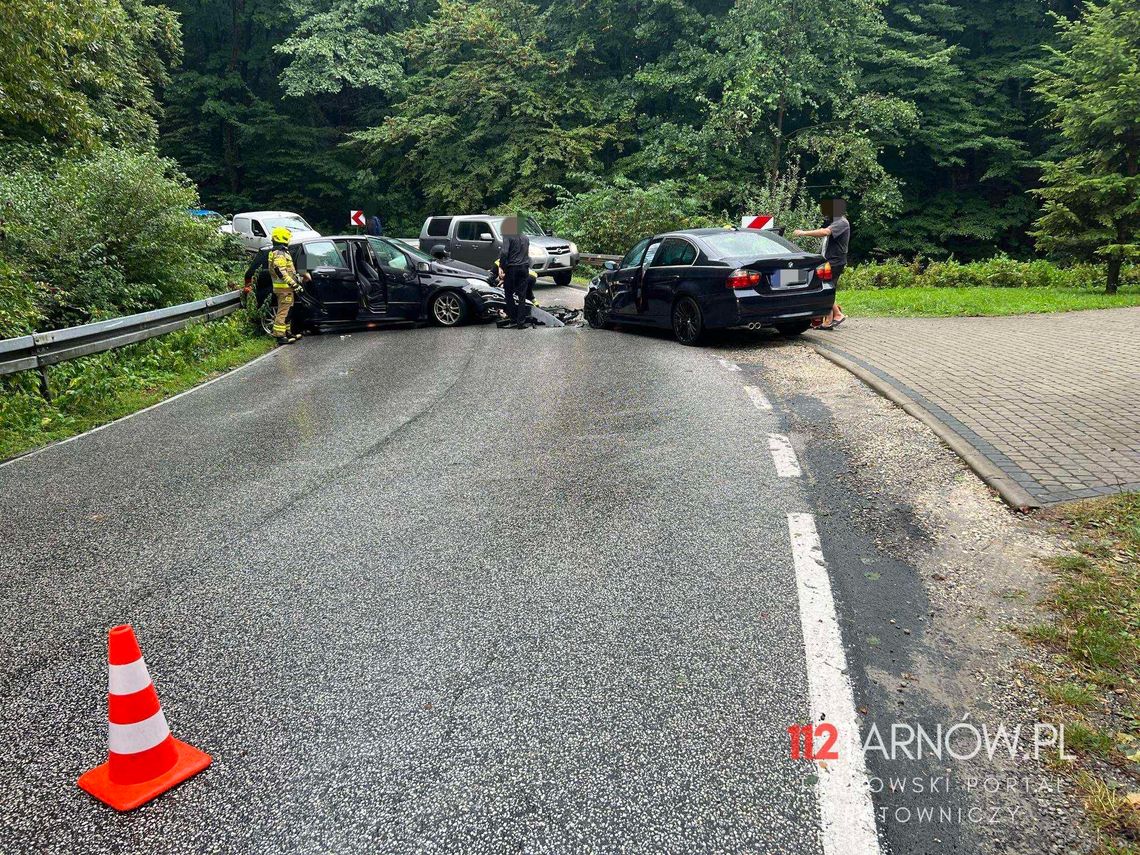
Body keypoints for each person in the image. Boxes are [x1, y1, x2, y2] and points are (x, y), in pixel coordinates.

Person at [794, 198, 849, 329]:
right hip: (830, 260)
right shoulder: (836, 222)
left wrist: (803, 233)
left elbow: (824, 232)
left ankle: (836, 315)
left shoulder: (841, 222)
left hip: (835, 261)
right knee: (826, 287)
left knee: (826, 287)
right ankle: (829, 319)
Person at [268, 227, 303, 344]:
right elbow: (280, 271)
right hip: (284, 288)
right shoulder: (279, 253)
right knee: (283, 312)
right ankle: (280, 336)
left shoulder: (282, 251)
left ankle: (287, 332)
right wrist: (293, 284)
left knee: (288, 311)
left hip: (286, 288)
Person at [498, 216, 532, 329]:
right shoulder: (526, 238)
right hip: (524, 268)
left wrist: (502, 267)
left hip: (512, 268)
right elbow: (527, 255)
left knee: (508, 293)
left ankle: (512, 318)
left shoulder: (508, 236)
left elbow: (504, 253)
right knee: (522, 295)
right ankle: (520, 322)